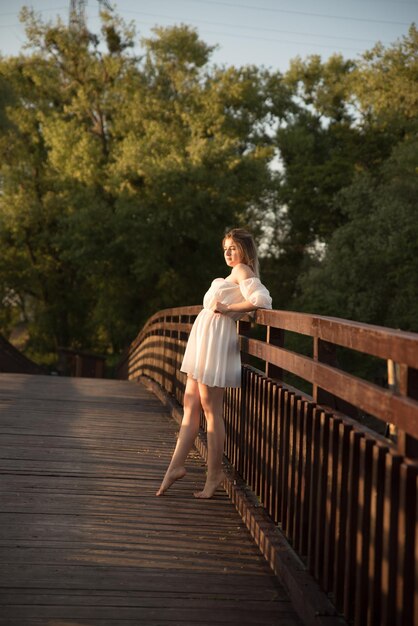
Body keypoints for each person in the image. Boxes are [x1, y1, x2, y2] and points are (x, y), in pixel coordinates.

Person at [156, 228, 272, 499]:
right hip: (205, 341)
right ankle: (174, 467)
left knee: (210, 408)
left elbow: (263, 301)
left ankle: (214, 474)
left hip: (216, 343)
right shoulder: (234, 273)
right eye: (225, 248)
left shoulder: (243, 271)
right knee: (190, 403)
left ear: (244, 250)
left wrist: (230, 310)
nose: (228, 253)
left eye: (233, 247)